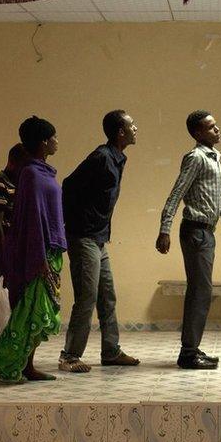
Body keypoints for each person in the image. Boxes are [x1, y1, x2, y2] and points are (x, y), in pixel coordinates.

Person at [156, 110, 221, 370]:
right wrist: (164, 228)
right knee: (200, 292)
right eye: (211, 127)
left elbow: (218, 201)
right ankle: (188, 353)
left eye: (216, 125)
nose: (217, 129)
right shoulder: (196, 158)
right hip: (195, 231)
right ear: (198, 133)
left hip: (206, 232)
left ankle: (193, 348)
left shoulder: (214, 159)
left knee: (201, 291)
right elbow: (176, 193)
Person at [58, 110, 141, 373]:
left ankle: (111, 351)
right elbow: (68, 186)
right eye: (131, 126)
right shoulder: (102, 158)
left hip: (98, 237)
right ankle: (70, 356)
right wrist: (76, 225)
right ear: (120, 132)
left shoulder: (117, 159)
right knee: (87, 297)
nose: (135, 129)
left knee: (107, 296)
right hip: (84, 237)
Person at [0, 116, 66, 382]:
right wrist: (39, 257)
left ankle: (27, 365)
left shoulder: (43, 171)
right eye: (54, 136)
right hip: (38, 251)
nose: (58, 141)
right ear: (44, 141)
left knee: (42, 311)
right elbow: (33, 218)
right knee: (29, 311)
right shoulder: (31, 174)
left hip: (50, 249)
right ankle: (9, 363)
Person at [0, 143, 29, 274]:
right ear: (12, 163)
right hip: (1, 249)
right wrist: (5, 257)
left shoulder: (15, 186)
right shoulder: (1, 186)